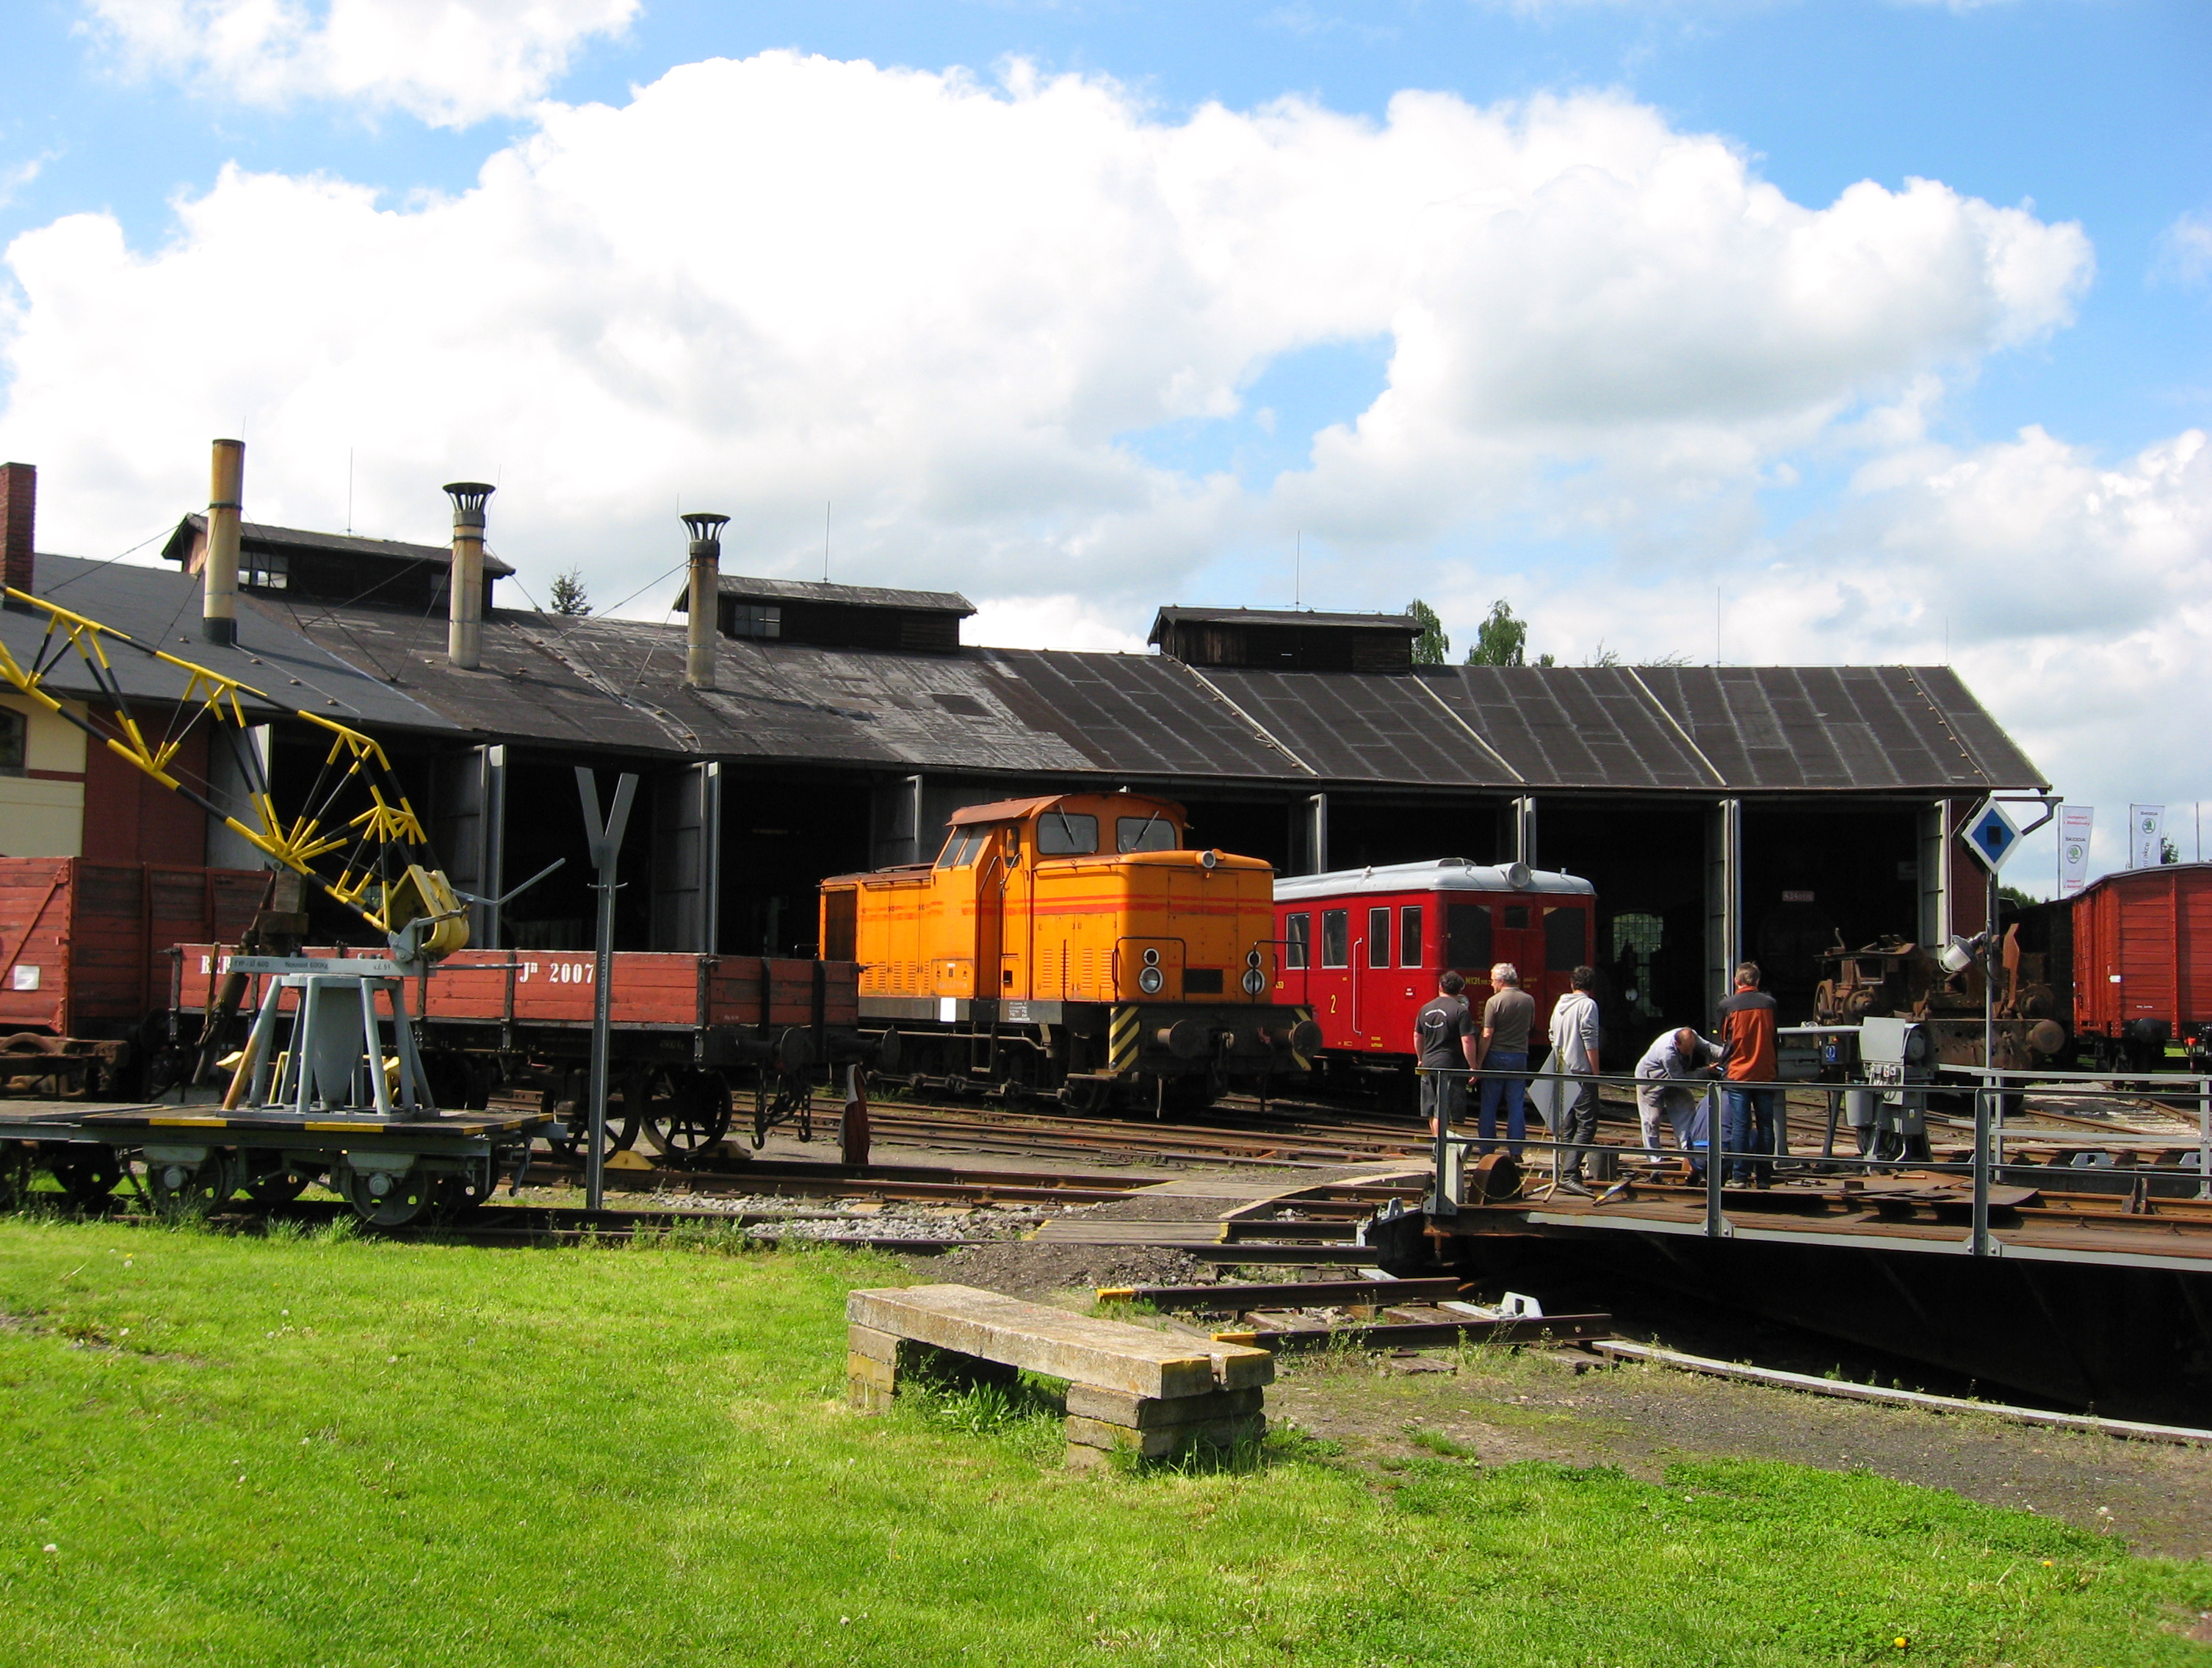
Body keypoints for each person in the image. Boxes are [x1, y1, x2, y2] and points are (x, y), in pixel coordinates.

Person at [1718, 961, 1781, 1186]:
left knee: (1740, 1125)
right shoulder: (1770, 1004)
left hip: (1738, 1073)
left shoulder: (1728, 1005)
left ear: (1737, 981)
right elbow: (1774, 1036)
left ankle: (1740, 1176)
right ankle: (1764, 1177)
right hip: (1766, 1072)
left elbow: (1725, 1038)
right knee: (1766, 1125)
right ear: (1757, 981)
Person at [1633, 1026, 1725, 1174]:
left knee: (1685, 1111)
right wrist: (1705, 1072)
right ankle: (1655, 1159)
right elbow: (1681, 1080)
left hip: (1675, 1077)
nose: (1690, 1053)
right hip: (1651, 1080)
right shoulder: (1667, 1052)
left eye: (1692, 1049)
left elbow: (1709, 1048)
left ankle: (1687, 1153)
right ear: (1677, 1044)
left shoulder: (1691, 1036)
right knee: (1652, 1120)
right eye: (1686, 1050)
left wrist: (1730, 1055)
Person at [1545, 964, 1602, 1194]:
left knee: (1567, 1124)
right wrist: (1595, 1070)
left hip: (1561, 1068)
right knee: (1587, 1123)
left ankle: (1565, 1171)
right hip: (1580, 1070)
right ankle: (1570, 1174)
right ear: (1591, 987)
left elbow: (1551, 1034)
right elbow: (1589, 1036)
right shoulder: (1588, 1005)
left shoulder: (1560, 1004)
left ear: (1572, 984)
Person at [1475, 962, 1535, 1156]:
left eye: (1493, 980)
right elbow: (1530, 1027)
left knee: (1489, 1105)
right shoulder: (1529, 1000)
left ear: (1501, 981)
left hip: (1496, 1056)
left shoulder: (1494, 1002)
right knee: (1516, 1104)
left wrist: (1478, 1063)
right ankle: (1516, 1151)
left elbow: (1487, 1034)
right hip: (1519, 1055)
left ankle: (1487, 1149)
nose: (1491, 984)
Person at [1413, 970, 1479, 1137]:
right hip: (1450, 1064)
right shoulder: (1460, 1011)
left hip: (1428, 1063)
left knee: (1431, 1109)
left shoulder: (1425, 1008)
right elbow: (1467, 1040)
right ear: (1460, 990)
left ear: (1440, 987)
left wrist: (1421, 1058)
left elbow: (1417, 1036)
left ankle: (1438, 1145)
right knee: (1443, 1110)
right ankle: (1441, 1148)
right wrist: (1472, 1066)